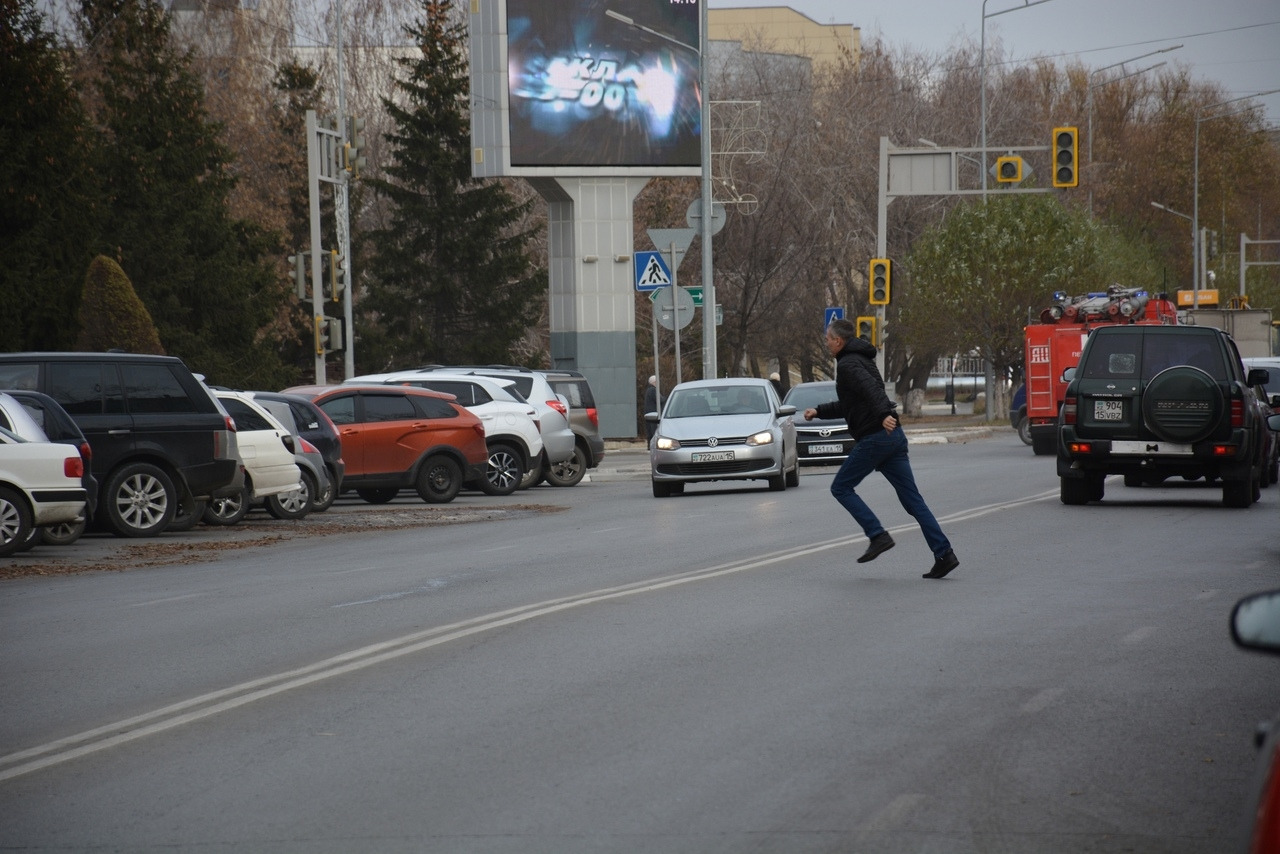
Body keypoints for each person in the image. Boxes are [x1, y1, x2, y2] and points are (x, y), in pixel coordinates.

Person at [804, 318, 959, 579]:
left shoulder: (848, 363)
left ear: (839, 341)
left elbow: (871, 391)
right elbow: (853, 403)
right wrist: (819, 411)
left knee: (840, 487)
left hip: (877, 436)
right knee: (913, 501)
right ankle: (944, 554)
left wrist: (884, 414)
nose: (827, 342)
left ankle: (877, 535)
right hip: (892, 437)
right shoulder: (861, 359)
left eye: (828, 339)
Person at [643, 375, 660, 441]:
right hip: (654, 414)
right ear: (654, 382)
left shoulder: (648, 390)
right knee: (653, 431)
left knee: (649, 431)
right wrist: (666, 399)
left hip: (649, 414)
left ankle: (649, 445)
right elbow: (659, 399)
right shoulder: (653, 390)